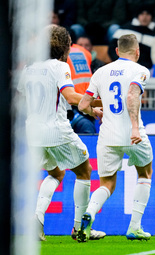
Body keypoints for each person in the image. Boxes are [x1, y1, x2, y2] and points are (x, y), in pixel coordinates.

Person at [17, 25, 105, 241]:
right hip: (56, 130)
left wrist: (90, 109)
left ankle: (36, 222)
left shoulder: (28, 68)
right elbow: (71, 96)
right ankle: (79, 228)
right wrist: (102, 101)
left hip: (33, 132)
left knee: (56, 173)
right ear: (65, 45)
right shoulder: (60, 66)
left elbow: (21, 100)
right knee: (84, 171)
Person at [77, 34, 153, 242]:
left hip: (107, 136)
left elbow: (83, 105)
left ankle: (89, 214)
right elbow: (131, 95)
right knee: (145, 174)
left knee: (106, 184)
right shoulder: (140, 70)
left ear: (117, 51)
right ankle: (135, 227)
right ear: (138, 52)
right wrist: (135, 128)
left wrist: (96, 113)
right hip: (132, 135)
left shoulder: (100, 72)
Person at [108, 4, 155, 69]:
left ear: (152, 17)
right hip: (122, 66)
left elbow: (153, 57)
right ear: (137, 16)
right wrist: (121, 62)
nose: (145, 17)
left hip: (143, 69)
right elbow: (112, 48)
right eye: (142, 14)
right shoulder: (125, 29)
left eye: (148, 14)